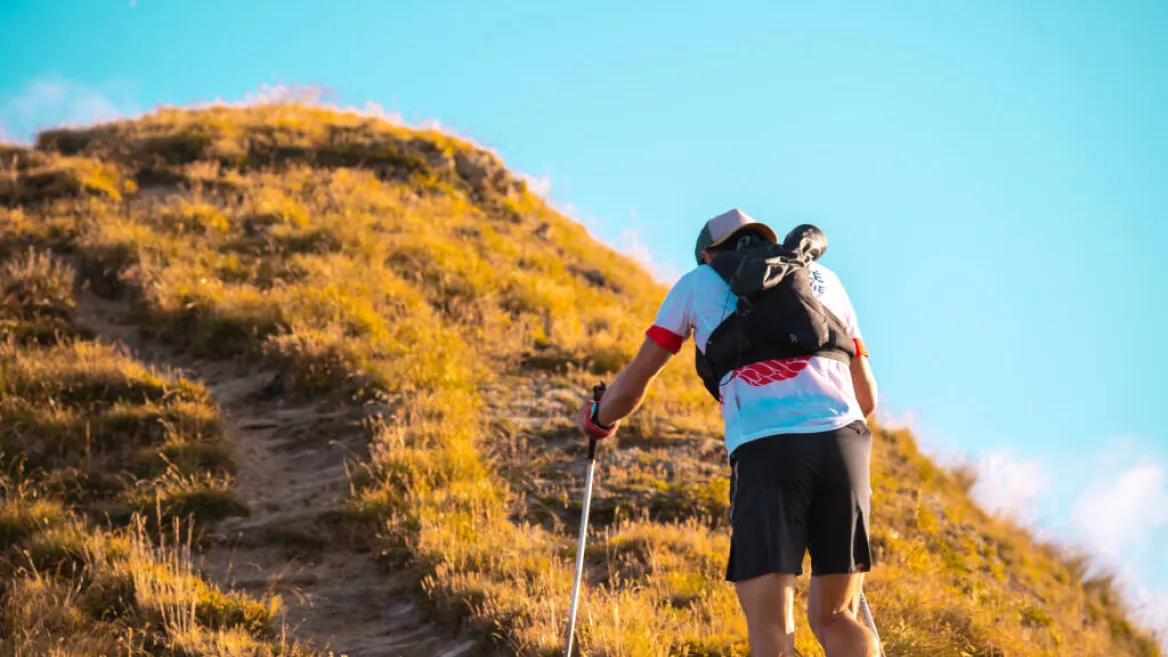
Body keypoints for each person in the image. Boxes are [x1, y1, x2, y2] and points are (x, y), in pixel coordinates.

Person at [575, 208, 880, 657]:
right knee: (837, 617)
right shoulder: (823, 278)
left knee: (772, 632)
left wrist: (599, 418)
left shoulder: (696, 283)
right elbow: (868, 398)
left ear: (706, 253)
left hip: (766, 450)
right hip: (844, 443)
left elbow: (637, 379)